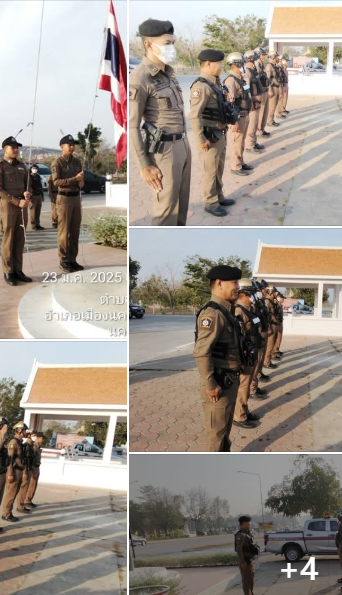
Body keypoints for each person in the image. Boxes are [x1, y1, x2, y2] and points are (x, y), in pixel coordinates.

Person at [129, 19, 191, 226]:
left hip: (182, 144)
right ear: (148, 45)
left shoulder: (168, 74)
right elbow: (132, 125)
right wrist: (144, 165)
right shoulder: (140, 77)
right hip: (163, 151)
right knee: (166, 212)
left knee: (181, 208)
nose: (172, 47)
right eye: (167, 43)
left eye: (173, 42)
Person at [192, 265, 243, 451]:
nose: (238, 287)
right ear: (219, 283)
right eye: (234, 282)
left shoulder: (225, 310)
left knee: (224, 433)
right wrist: (211, 384)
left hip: (228, 380)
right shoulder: (213, 314)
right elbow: (201, 352)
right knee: (216, 437)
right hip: (218, 384)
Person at [189, 49, 236, 217]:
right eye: (219, 63)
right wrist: (200, 139)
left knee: (218, 169)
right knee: (209, 172)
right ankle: (210, 203)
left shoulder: (215, 83)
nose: (221, 66)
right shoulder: (201, 87)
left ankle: (219, 196)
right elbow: (194, 115)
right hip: (209, 138)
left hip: (220, 134)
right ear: (208, 64)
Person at [0, 136, 32, 286]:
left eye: (17, 147)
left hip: (22, 206)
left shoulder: (22, 166)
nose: (16, 150)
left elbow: (27, 185)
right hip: (9, 205)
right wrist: (17, 201)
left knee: (20, 238)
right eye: (13, 147)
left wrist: (27, 194)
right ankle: (8, 271)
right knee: (8, 239)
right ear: (5, 149)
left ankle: (18, 270)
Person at [51, 134, 84, 272]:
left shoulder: (77, 162)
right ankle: (64, 260)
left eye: (73, 145)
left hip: (76, 198)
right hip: (64, 199)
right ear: (62, 147)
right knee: (64, 231)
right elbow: (56, 182)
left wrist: (81, 181)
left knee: (75, 230)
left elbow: (81, 182)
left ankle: (72, 259)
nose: (71, 147)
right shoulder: (57, 163)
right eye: (69, 145)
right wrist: (74, 179)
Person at [232, 280, 262, 429]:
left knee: (247, 384)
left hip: (251, 351)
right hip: (244, 355)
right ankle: (239, 415)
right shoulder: (239, 311)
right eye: (252, 293)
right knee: (243, 385)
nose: (255, 296)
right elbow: (238, 339)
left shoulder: (248, 309)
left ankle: (245, 410)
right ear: (244, 294)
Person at [223, 53, 253, 178]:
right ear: (235, 64)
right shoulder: (231, 80)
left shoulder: (240, 78)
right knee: (236, 142)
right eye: (242, 64)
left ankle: (241, 161)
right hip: (238, 117)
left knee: (241, 141)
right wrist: (233, 122)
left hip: (245, 115)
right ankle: (235, 166)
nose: (244, 66)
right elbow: (229, 103)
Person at [1, 422, 29, 522]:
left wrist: (24, 472)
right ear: (19, 430)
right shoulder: (13, 442)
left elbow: (23, 459)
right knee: (10, 494)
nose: (26, 432)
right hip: (14, 471)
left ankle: (9, 512)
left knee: (14, 493)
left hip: (20, 471)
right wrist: (10, 474)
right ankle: (6, 514)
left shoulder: (20, 442)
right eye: (24, 430)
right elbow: (10, 459)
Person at [243, 51, 265, 156]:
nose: (257, 61)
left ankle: (254, 142)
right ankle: (250, 145)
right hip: (253, 103)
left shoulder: (253, 70)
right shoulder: (247, 72)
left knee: (255, 124)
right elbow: (247, 89)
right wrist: (251, 102)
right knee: (252, 126)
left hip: (257, 102)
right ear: (250, 59)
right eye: (256, 59)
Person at [234, 515, 260, 595]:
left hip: (250, 560)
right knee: (246, 581)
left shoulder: (248, 533)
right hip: (245, 561)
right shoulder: (240, 535)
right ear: (244, 523)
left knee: (250, 580)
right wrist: (242, 562)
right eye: (249, 523)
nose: (250, 524)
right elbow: (239, 550)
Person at [23, 431, 44, 508]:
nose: (43, 440)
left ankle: (29, 499)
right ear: (38, 438)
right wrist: (32, 469)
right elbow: (31, 459)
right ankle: (27, 500)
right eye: (42, 438)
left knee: (34, 484)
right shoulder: (34, 446)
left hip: (36, 466)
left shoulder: (37, 446)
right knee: (31, 484)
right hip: (33, 467)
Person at [254, 48, 271, 139]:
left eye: (264, 55)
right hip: (260, 93)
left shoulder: (262, 65)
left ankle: (262, 129)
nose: (263, 57)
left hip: (265, 90)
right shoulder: (256, 66)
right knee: (260, 113)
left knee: (265, 112)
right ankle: (258, 131)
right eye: (262, 55)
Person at [264, 51, 281, 128]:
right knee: (272, 106)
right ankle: (269, 121)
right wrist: (270, 90)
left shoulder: (274, 66)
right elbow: (268, 79)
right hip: (273, 88)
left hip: (276, 87)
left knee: (274, 105)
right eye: (276, 57)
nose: (277, 58)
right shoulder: (269, 66)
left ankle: (271, 119)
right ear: (273, 57)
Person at [28, 164, 45, 230]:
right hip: (33, 195)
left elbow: (40, 186)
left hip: (39, 195)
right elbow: (28, 187)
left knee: (38, 211)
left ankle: (38, 224)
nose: (35, 170)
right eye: (33, 168)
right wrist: (29, 197)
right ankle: (33, 225)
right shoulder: (29, 177)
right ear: (31, 169)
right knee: (33, 211)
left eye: (36, 168)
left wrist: (42, 195)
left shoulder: (38, 176)